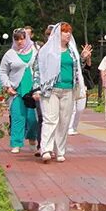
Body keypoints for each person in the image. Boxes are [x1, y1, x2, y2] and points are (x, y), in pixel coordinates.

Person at [32, 22, 88, 163]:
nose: (68, 34)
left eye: (69, 31)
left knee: (64, 121)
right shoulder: (47, 50)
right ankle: (46, 149)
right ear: (57, 34)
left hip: (68, 89)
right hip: (51, 89)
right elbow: (38, 69)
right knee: (50, 119)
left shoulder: (72, 51)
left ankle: (60, 150)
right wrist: (37, 88)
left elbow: (77, 69)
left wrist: (82, 58)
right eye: (64, 31)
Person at [0, 28, 38, 154]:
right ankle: (16, 143)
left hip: (33, 90)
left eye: (22, 38)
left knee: (33, 118)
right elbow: (3, 71)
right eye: (17, 39)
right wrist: (8, 86)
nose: (20, 42)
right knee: (17, 117)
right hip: (17, 90)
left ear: (27, 38)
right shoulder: (10, 54)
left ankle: (32, 139)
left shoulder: (35, 51)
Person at [69, 41, 95, 135]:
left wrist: (87, 58)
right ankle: (69, 127)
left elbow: (87, 68)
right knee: (72, 107)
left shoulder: (78, 57)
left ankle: (74, 127)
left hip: (82, 84)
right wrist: (82, 57)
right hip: (70, 84)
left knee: (80, 108)